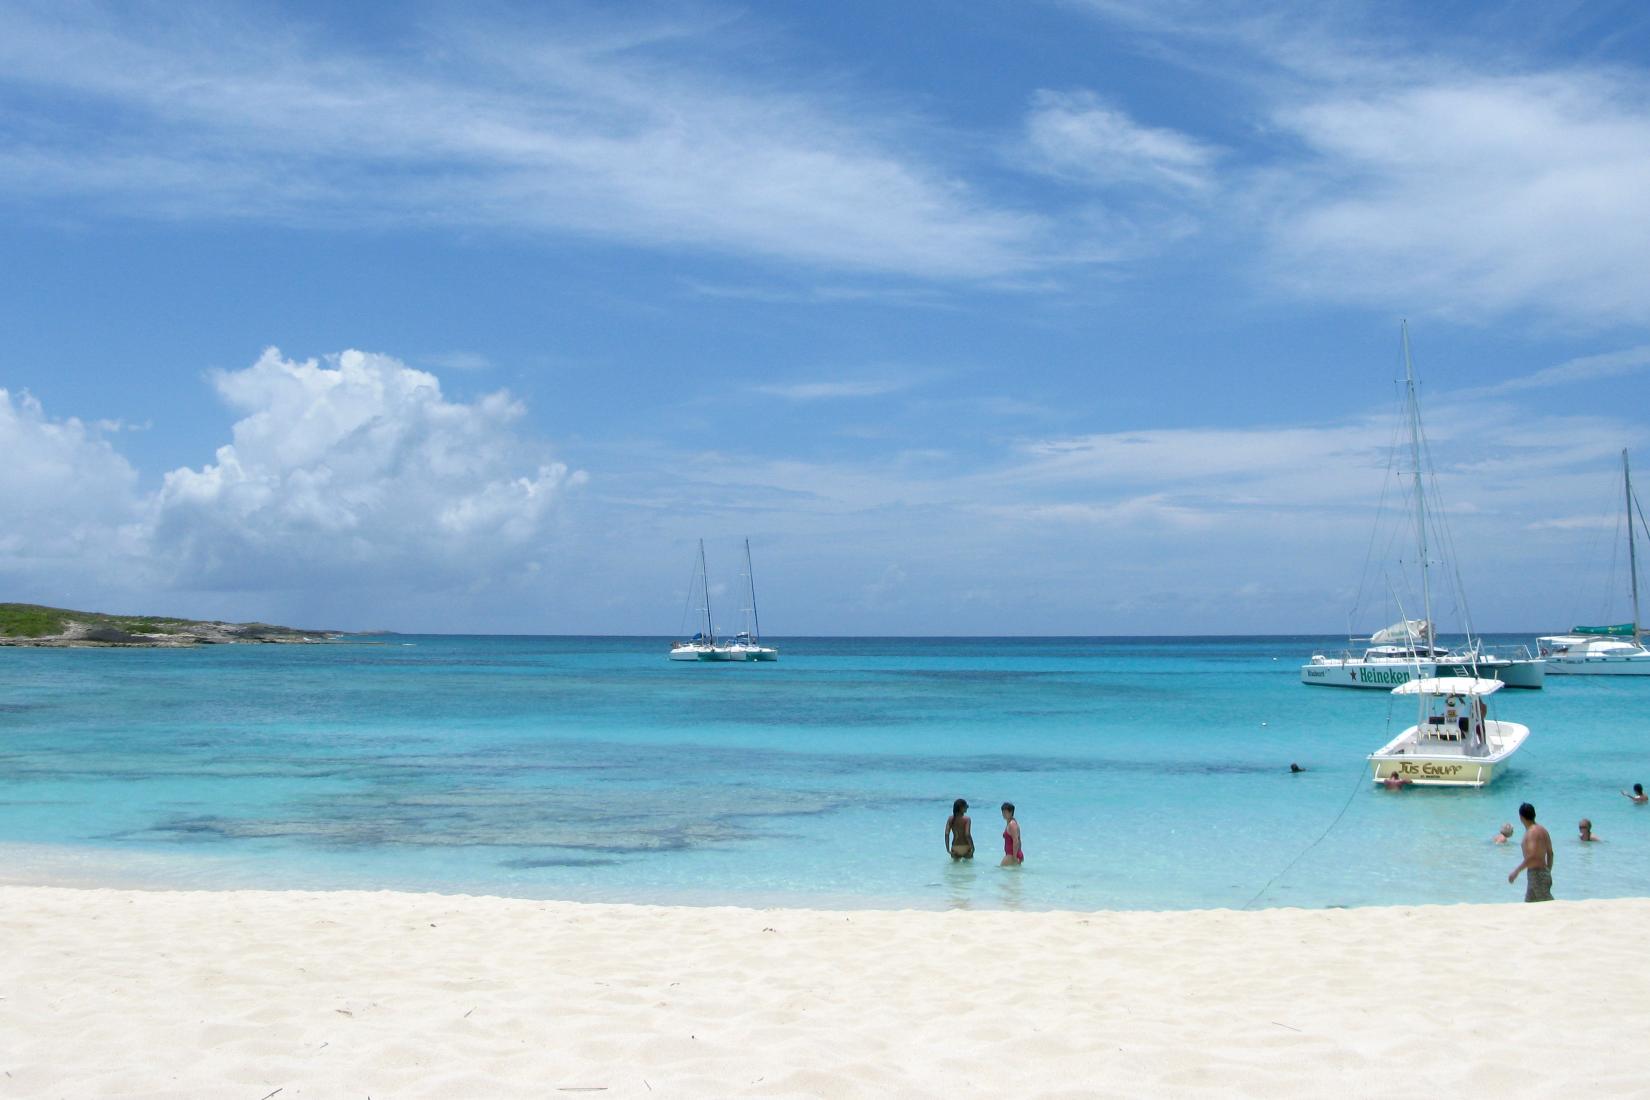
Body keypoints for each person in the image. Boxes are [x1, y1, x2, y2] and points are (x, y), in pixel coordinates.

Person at [1508, 802, 1554, 902]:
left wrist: (1516, 871)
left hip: (1537, 875)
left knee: (1548, 906)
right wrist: (1548, 871)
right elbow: (1550, 854)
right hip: (1540, 873)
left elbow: (1532, 856)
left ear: (1521, 817)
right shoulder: (1543, 830)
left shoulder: (1531, 833)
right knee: (1530, 907)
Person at [1000, 802, 1023, 866]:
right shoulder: (1010, 823)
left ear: (1011, 812)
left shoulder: (1012, 824)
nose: (1003, 814)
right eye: (1003, 812)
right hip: (1012, 854)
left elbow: (1016, 841)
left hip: (1011, 855)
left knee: (1000, 870)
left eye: (1005, 812)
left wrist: (1015, 857)